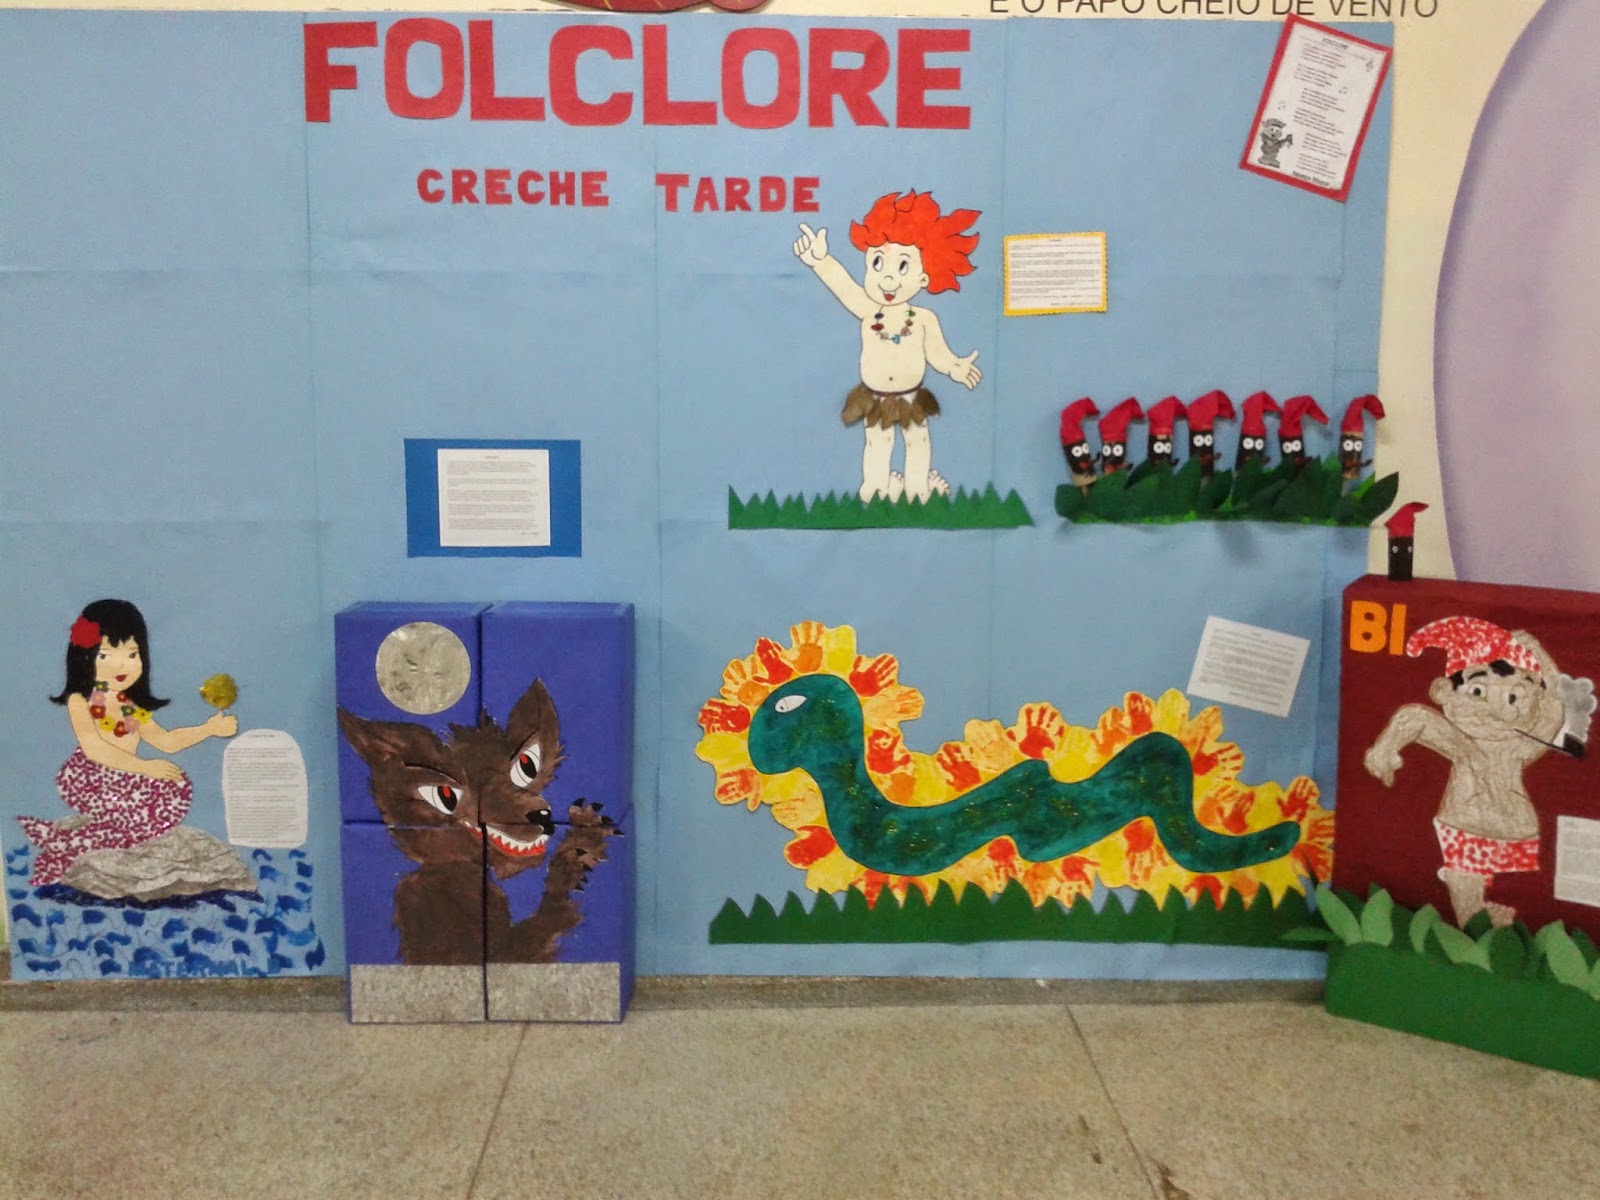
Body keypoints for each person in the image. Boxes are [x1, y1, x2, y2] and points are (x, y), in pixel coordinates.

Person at [17, 598, 237, 887]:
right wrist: (145, 767)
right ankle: (67, 848)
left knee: (176, 786)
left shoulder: (130, 705)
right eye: (106, 655)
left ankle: (71, 842)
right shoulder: (80, 699)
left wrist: (208, 729)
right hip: (88, 777)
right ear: (85, 656)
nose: (122, 665)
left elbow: (166, 741)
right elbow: (94, 748)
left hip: (125, 779)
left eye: (132, 654)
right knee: (144, 809)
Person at [793, 190, 982, 503]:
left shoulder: (923, 318)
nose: (888, 279)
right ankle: (876, 490)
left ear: (924, 278)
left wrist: (954, 367)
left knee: (918, 442)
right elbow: (844, 287)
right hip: (875, 397)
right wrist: (821, 261)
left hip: (911, 396)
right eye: (878, 263)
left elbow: (936, 353)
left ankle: (918, 491)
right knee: (877, 443)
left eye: (902, 266)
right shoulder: (869, 311)